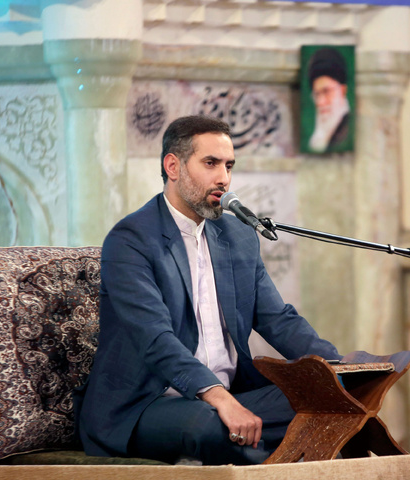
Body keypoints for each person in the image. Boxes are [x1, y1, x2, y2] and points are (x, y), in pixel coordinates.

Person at [75, 115, 342, 465]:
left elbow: (278, 319)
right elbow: (156, 339)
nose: (224, 179)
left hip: (230, 395)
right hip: (146, 403)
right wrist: (221, 399)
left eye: (229, 165)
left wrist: (336, 368)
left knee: (329, 400)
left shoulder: (238, 236)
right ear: (173, 166)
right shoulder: (132, 241)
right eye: (211, 163)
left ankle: (252, 449)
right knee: (207, 425)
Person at [307, 48, 352, 153]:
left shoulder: (351, 132)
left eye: (326, 92)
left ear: (342, 90)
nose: (321, 102)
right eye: (317, 94)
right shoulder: (318, 137)